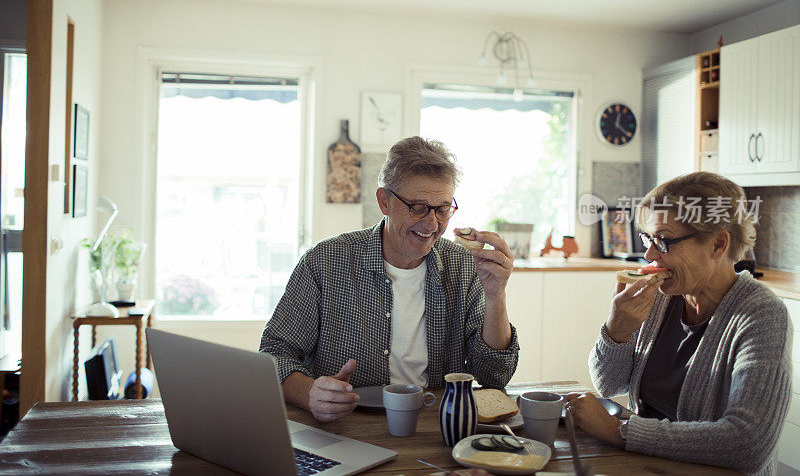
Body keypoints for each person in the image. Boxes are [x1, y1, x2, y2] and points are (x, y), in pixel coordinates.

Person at [260, 136, 520, 422]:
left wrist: (497, 296)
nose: (432, 224)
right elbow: (274, 354)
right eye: (418, 207)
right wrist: (311, 393)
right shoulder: (325, 261)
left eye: (443, 208)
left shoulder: (463, 266)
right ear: (384, 201)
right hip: (343, 426)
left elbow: (494, 376)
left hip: (435, 427)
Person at [566, 172, 793, 475]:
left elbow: (747, 443)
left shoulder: (762, 316)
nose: (648, 255)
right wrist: (617, 328)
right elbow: (609, 383)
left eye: (663, 240)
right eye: (648, 239)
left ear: (717, 244)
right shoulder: (662, 297)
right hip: (644, 465)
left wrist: (620, 431)